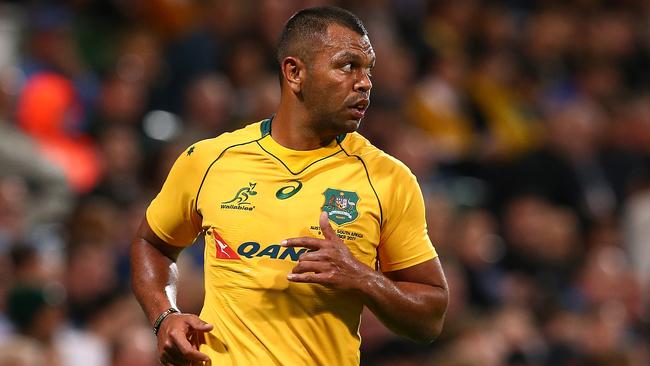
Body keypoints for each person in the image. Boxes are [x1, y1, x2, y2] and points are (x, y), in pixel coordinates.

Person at [130, 6, 448, 366]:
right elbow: (151, 243)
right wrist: (164, 316)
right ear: (295, 72)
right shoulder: (209, 160)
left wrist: (362, 278)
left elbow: (431, 316)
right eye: (348, 66)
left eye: (368, 69)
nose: (365, 82)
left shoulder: (387, 178)